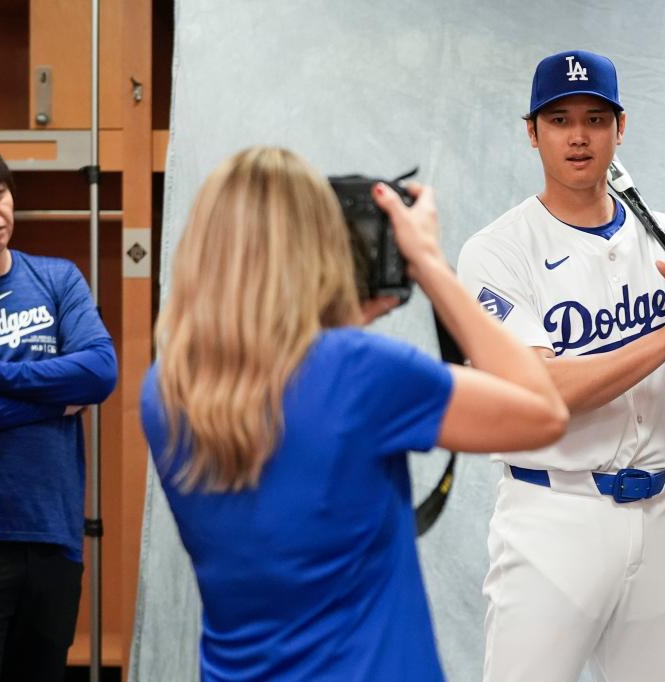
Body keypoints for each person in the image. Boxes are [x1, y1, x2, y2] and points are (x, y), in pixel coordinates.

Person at [139, 146, 569, 681]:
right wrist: (430, 265)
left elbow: (296, 401)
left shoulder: (165, 390)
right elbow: (545, 410)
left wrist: (347, 314)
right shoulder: (362, 372)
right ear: (316, 246)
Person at [457, 50, 665, 682]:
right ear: (531, 133)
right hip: (552, 522)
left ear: (621, 129)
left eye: (596, 117)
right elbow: (543, 389)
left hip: (661, 521)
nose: (579, 135)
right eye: (559, 119)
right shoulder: (497, 252)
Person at [0, 134, 118, 682]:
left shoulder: (58, 279)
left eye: (0, 192)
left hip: (52, 532)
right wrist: (53, 404)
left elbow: (99, 372)